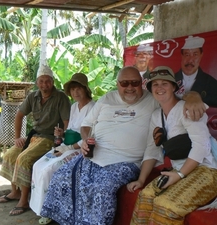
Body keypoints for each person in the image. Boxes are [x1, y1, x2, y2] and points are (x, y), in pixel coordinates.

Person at [40, 66, 206, 225]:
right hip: (95, 155)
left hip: (125, 162)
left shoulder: (152, 100)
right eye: (124, 83)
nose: (130, 87)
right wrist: (85, 140)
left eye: (135, 83)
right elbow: (86, 125)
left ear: (141, 84)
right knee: (61, 175)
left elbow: (174, 97)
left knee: (100, 189)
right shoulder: (107, 98)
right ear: (117, 84)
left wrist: (194, 96)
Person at [128, 66, 217, 225]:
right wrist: (141, 180)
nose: (159, 88)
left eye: (165, 84)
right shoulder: (157, 115)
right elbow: (152, 148)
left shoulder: (188, 108)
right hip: (178, 171)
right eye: (155, 85)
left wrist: (180, 175)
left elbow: (201, 147)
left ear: (174, 87)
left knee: (166, 205)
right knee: (145, 196)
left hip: (205, 171)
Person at [0, 64, 71, 216]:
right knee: (10, 155)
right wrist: (17, 138)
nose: (45, 84)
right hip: (34, 137)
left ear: (53, 81)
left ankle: (24, 201)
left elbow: (67, 121)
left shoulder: (61, 97)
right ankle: (15, 192)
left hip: (50, 138)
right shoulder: (33, 96)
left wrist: (63, 136)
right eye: (41, 81)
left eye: (48, 81)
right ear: (37, 82)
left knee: (23, 159)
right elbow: (19, 115)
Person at [30, 73, 95, 225]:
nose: (75, 92)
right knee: (38, 165)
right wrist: (62, 134)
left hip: (79, 149)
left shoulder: (94, 107)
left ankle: (49, 211)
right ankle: (38, 207)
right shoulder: (73, 107)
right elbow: (71, 129)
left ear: (85, 89)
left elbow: (90, 135)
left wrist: (69, 147)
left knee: (49, 170)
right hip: (67, 145)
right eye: (72, 89)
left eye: (79, 88)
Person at [175, 35, 217, 107]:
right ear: (181, 56)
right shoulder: (171, 80)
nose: (190, 60)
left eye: (195, 54)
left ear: (201, 55)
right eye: (187, 54)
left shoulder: (211, 83)